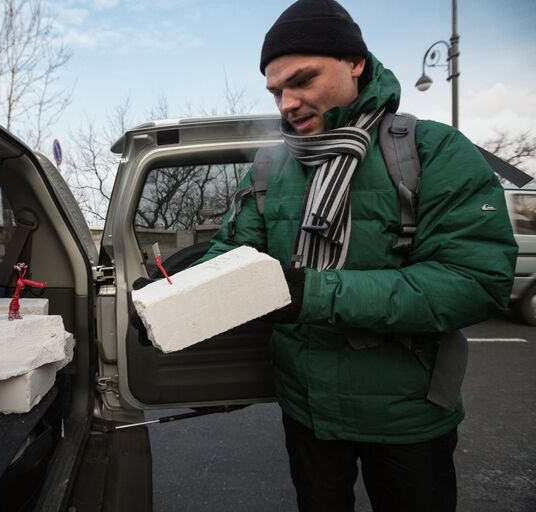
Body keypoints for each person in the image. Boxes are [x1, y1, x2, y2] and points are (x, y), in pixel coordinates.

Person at [194, 1, 518, 510]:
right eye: (277, 91)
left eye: (303, 80)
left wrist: (311, 292)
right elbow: (233, 254)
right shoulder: (269, 167)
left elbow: (475, 281)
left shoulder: (432, 149)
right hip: (307, 410)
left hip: (407, 415)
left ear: (355, 64)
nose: (287, 104)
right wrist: (174, 290)